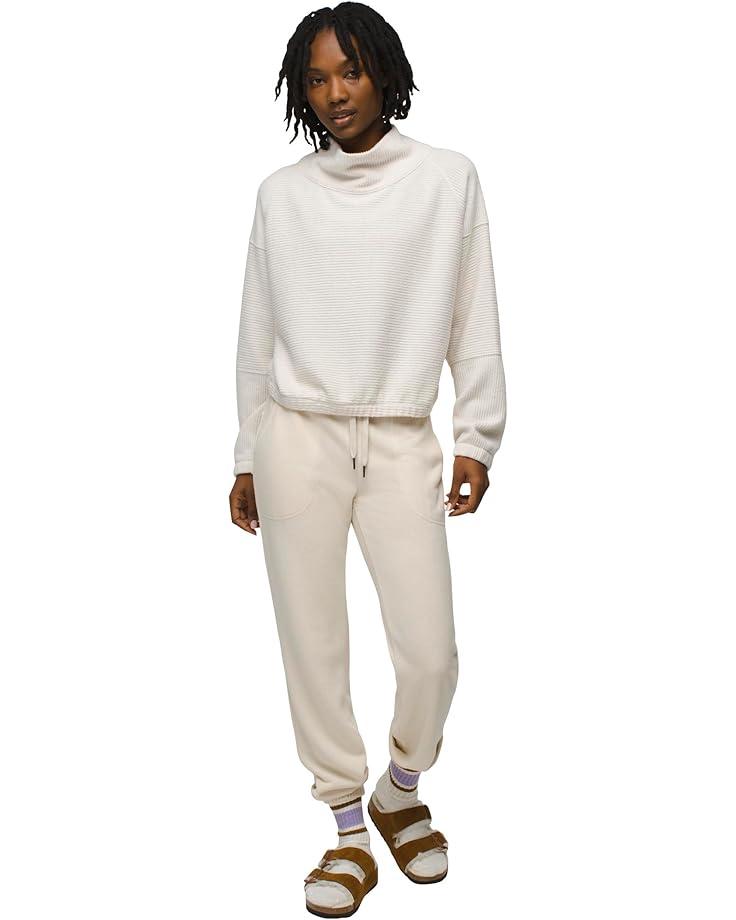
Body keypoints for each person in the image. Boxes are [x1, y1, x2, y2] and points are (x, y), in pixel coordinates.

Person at [229, 3, 506, 915]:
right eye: (315, 78)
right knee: (312, 644)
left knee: (430, 653)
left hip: (398, 435)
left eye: (349, 71)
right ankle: (348, 827)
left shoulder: (447, 179)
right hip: (296, 438)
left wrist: (476, 436)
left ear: (385, 70)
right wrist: (246, 453)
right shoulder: (281, 195)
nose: (334, 92)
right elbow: (256, 332)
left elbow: (472, 314)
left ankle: (401, 788)